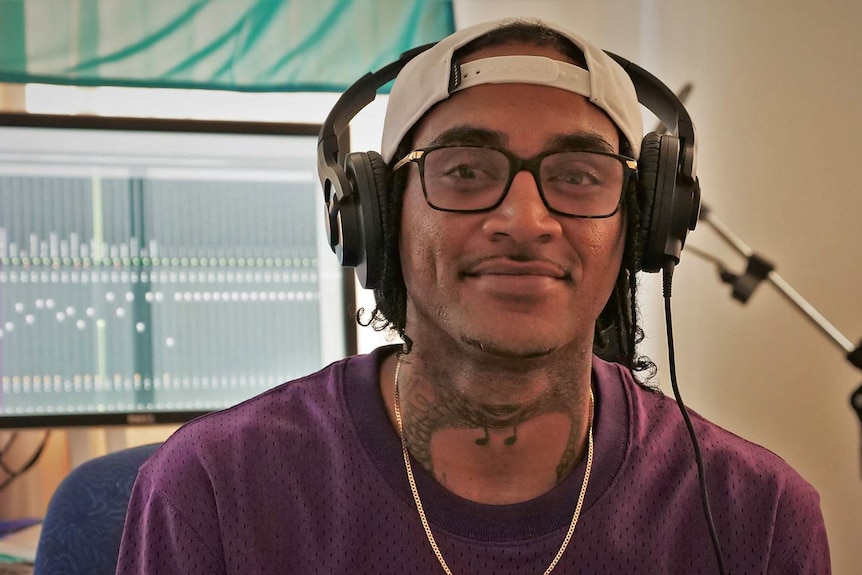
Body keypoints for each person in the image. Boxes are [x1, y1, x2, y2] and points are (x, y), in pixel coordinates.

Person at [115, 17, 830, 575]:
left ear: (642, 228)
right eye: (464, 169)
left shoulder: (755, 518)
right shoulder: (213, 489)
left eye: (579, 174)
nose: (524, 220)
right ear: (379, 218)